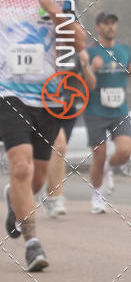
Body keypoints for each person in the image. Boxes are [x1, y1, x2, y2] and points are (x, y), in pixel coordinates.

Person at [1, 0, 85, 271]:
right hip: (8, 92)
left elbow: (79, 42)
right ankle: (33, 243)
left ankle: (13, 198)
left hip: (49, 97)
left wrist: (54, 11)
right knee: (20, 166)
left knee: (36, 179)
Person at [83, 12, 131, 214]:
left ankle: (108, 169)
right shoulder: (89, 51)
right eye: (106, 23)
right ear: (97, 28)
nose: (111, 27)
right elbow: (87, 84)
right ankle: (97, 195)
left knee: (125, 152)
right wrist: (91, 68)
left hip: (119, 110)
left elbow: (128, 71)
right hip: (95, 110)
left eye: (113, 23)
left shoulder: (124, 48)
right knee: (98, 156)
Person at [43, 47, 95, 218]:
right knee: (57, 148)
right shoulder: (42, 44)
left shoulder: (76, 53)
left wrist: (85, 65)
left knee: (59, 150)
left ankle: (53, 197)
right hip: (44, 107)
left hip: (68, 109)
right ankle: (54, 197)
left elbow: (91, 85)